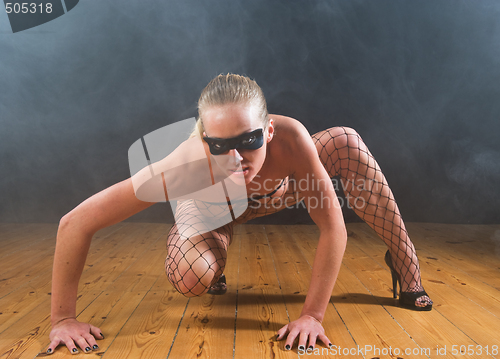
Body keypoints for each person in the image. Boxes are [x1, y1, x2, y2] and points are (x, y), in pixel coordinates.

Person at [46, 74, 433, 355]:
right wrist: (63, 319)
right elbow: (75, 222)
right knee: (190, 276)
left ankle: (405, 263)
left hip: (281, 190)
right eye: (220, 145)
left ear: (268, 131)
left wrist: (313, 315)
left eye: (249, 141)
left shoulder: (293, 140)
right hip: (215, 213)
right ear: (202, 141)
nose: (236, 159)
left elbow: (334, 229)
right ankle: (211, 250)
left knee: (346, 141)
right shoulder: (182, 167)